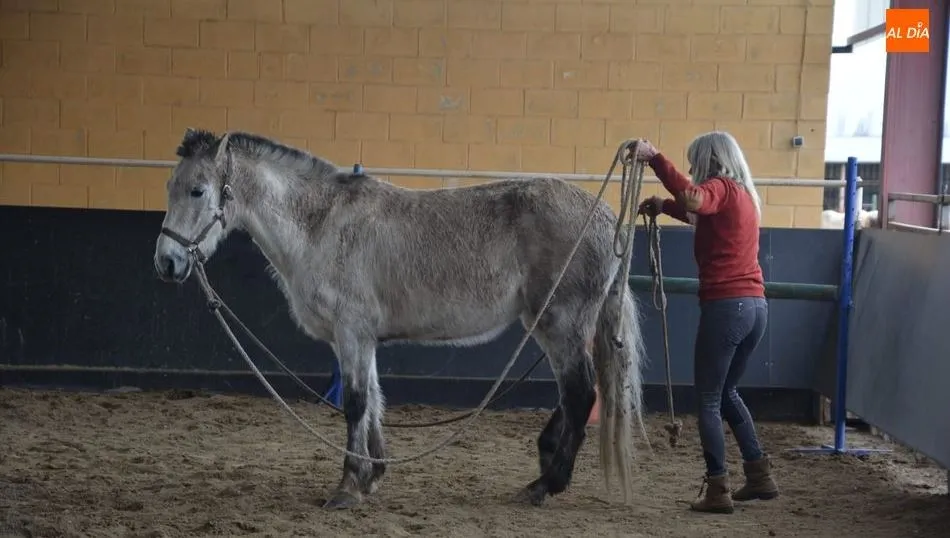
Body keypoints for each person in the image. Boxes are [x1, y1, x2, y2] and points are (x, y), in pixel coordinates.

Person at [631, 132, 779, 514]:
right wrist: (664, 205)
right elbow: (698, 212)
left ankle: (717, 488)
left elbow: (695, 199)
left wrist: (654, 158)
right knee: (727, 392)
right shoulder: (742, 195)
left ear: (708, 159)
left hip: (726, 306)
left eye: (694, 160)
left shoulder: (721, 187)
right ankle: (759, 474)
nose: (692, 167)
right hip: (755, 307)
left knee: (709, 399)